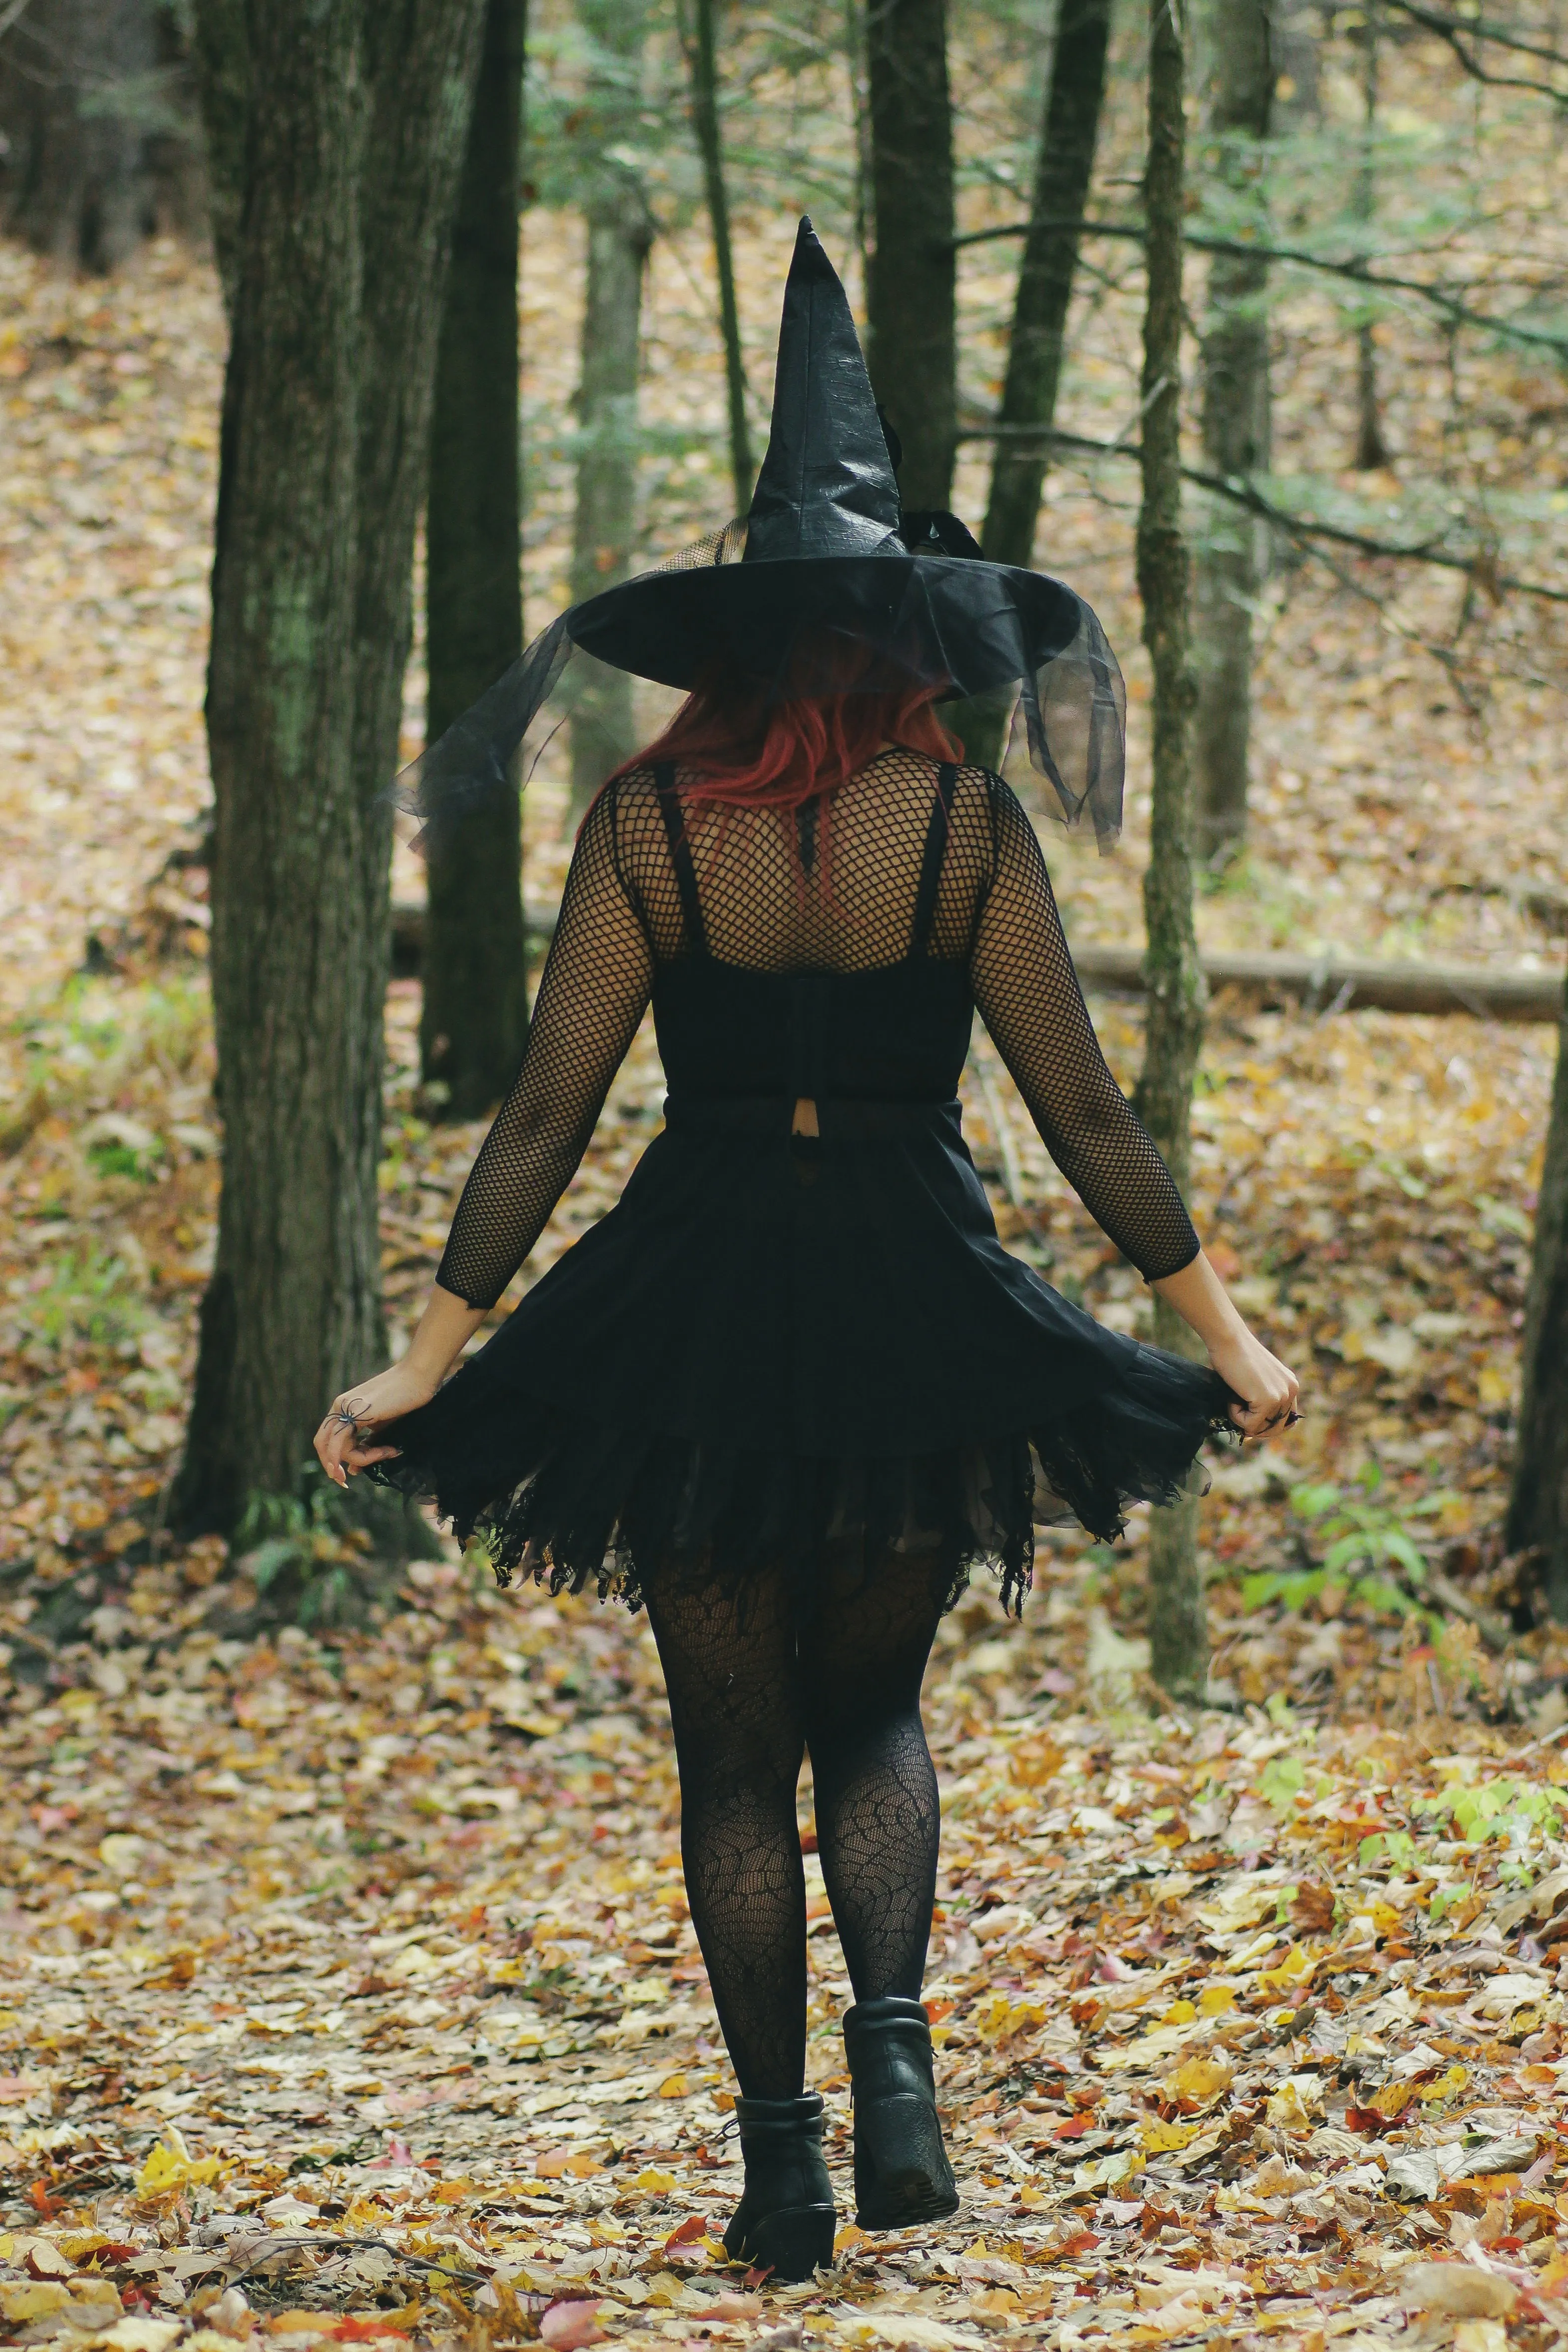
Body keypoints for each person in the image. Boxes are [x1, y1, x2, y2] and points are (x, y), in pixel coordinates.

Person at [315, 221, 1298, 2281]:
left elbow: (540, 1116)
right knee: (873, 1721)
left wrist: (428, 1351)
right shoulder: (958, 831)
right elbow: (1084, 1111)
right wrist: (1217, 1330)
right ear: (900, 630)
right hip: (906, 1295)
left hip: (686, 1299)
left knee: (724, 1755)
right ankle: (900, 2078)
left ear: (737, 641)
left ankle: (781, 2168)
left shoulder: (647, 825)